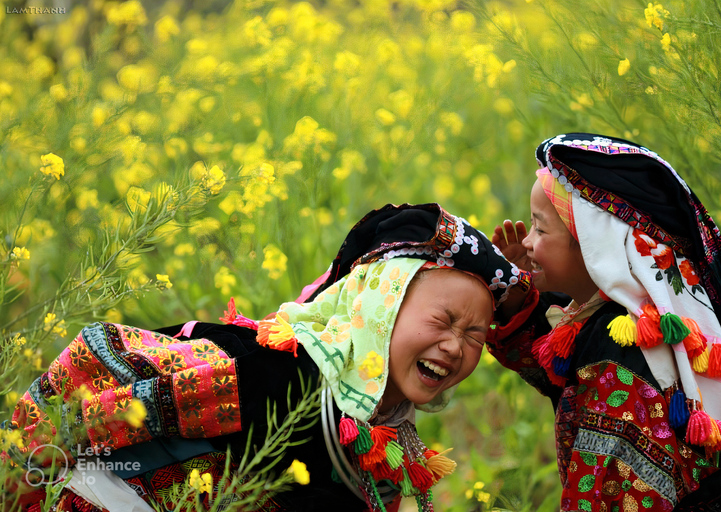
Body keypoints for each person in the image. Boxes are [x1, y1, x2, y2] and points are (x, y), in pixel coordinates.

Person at [3, 203, 529, 512]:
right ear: (378, 307)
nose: (456, 346)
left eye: (476, 336)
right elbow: (102, 394)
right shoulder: (271, 369)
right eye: (443, 322)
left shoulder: (385, 436)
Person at [488, 133, 721, 511]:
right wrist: (519, 300)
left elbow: (600, 495)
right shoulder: (632, 319)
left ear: (593, 244)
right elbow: (556, 370)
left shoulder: (620, 361)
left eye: (540, 228)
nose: (527, 242)